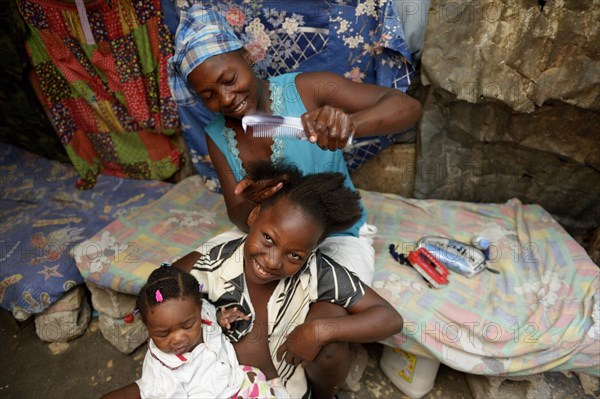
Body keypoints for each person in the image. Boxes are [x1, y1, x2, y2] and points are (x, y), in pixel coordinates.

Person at [167, 5, 423, 286]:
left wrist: (351, 124)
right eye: (209, 95)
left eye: (229, 80)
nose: (226, 98)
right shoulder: (217, 136)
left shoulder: (309, 90)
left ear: (247, 56)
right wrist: (254, 207)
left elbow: (406, 107)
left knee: (333, 299)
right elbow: (237, 212)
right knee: (192, 278)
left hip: (335, 235)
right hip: (268, 241)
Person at [175, 162, 404, 399]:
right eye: (268, 239)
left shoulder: (318, 272)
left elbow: (390, 318)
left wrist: (318, 331)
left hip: (289, 390)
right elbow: (159, 289)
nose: (273, 262)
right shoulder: (216, 262)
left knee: (331, 344)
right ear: (254, 216)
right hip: (222, 387)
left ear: (313, 250)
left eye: (294, 255)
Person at [102, 265, 289, 399]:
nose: (178, 338)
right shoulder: (160, 371)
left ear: (198, 311)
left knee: (259, 380)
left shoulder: (200, 310)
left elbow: (208, 312)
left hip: (238, 380)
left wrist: (219, 318)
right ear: (148, 328)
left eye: (187, 325)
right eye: (163, 334)